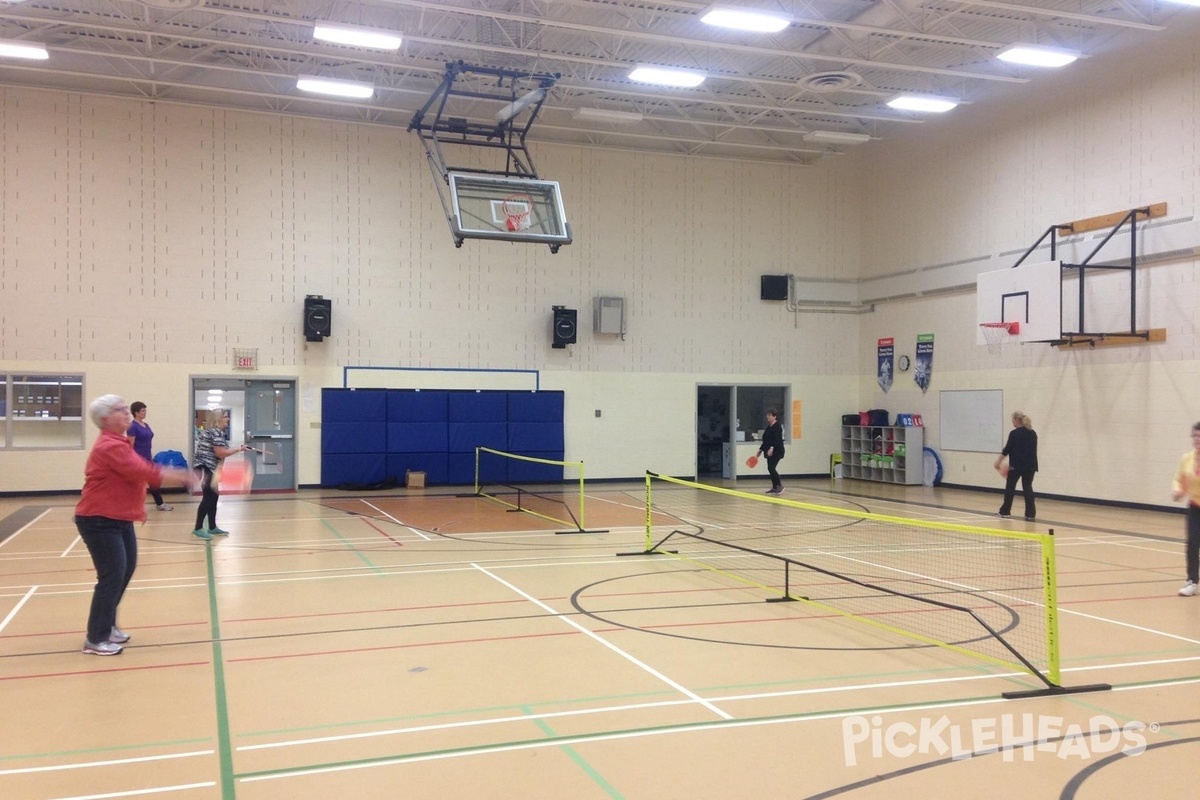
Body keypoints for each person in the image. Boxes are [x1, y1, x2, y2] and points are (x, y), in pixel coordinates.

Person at [74, 395, 192, 655]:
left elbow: (132, 479)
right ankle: (95, 638)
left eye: (126, 409)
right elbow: (145, 472)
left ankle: (108, 624)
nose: (126, 413)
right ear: (105, 420)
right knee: (111, 577)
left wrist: (136, 509)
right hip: (99, 520)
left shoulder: (119, 442)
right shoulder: (110, 446)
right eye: (119, 410)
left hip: (119, 519)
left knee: (124, 571)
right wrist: (189, 477)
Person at [193, 409, 247, 540]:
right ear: (218, 419)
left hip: (211, 467)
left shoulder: (218, 433)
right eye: (225, 417)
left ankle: (212, 527)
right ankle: (198, 528)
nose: (227, 419)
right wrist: (239, 449)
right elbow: (221, 453)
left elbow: (220, 457)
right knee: (208, 496)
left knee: (214, 496)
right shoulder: (215, 432)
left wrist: (219, 471)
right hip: (205, 466)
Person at [1170, 421, 1200, 597]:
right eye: (1195, 436)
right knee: (1192, 543)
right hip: (1195, 507)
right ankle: (1192, 581)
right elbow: (1178, 478)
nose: (1197, 439)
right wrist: (1177, 489)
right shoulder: (1186, 459)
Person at [127, 401, 173, 512]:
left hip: (147, 458)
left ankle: (160, 504)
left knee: (153, 481)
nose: (145, 412)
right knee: (137, 484)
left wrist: (151, 458)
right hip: (138, 460)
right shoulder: (132, 426)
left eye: (145, 410)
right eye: (142, 410)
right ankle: (131, 506)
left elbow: (148, 444)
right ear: (136, 412)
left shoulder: (146, 425)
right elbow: (130, 446)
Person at [995, 411, 1038, 520]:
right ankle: (1030, 514)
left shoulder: (1014, 433)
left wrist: (998, 461)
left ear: (1017, 420)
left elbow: (1007, 450)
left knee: (1010, 488)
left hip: (1017, 466)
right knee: (1028, 488)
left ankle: (1005, 511)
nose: (1012, 422)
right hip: (1031, 466)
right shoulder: (1033, 433)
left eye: (1013, 420)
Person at [758, 408, 786, 495]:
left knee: (771, 468)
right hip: (769, 451)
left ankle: (779, 486)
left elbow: (776, 440)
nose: (768, 417)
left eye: (770, 415)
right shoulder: (768, 428)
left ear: (775, 417)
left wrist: (772, 448)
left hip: (777, 451)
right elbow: (766, 440)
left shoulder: (777, 427)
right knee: (770, 468)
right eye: (767, 415)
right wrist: (760, 449)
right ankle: (774, 487)